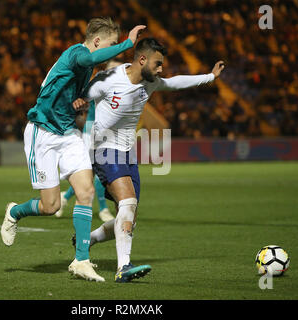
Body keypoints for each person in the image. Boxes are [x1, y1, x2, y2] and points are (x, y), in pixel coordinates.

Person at [0, 17, 146, 282]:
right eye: (109, 45)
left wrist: (80, 109)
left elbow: (73, 107)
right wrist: (127, 44)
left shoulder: (84, 73)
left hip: (68, 134)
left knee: (86, 191)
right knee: (50, 205)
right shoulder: (76, 54)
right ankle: (15, 212)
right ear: (98, 41)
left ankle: (81, 259)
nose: (108, 52)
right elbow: (90, 59)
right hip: (42, 133)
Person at [75, 37, 225, 282]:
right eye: (157, 64)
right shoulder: (109, 79)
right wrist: (74, 105)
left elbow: (175, 83)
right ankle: (123, 268)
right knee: (128, 202)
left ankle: (87, 239)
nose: (160, 69)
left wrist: (210, 76)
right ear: (141, 59)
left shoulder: (151, 83)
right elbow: (79, 96)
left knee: (129, 219)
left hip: (127, 153)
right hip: (104, 148)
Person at [55, 60, 123, 222]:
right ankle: (103, 210)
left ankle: (65, 197)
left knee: (91, 173)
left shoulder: (120, 89)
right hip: (91, 132)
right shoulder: (99, 85)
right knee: (98, 171)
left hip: (107, 133)